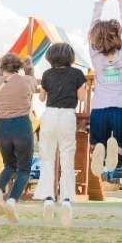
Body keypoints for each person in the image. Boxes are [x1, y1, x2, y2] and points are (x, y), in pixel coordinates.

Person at [35, 43, 87, 227]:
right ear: (70, 57)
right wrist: (82, 88)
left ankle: (48, 198)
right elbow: (81, 98)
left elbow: (41, 98)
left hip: (49, 115)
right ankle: (66, 199)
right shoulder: (77, 75)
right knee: (67, 158)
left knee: (47, 158)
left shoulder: (47, 75)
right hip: (67, 116)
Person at [88, 0, 122, 177]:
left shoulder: (96, 58)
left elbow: (91, 30)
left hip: (99, 109)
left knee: (98, 142)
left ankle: (98, 147)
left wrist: (100, 3)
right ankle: (119, 152)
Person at [0, 54, 38, 223]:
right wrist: (29, 66)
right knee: (24, 169)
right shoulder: (26, 81)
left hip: (2, 128)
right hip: (22, 125)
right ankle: (12, 200)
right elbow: (33, 81)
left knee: (9, 165)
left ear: (2, 67)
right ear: (18, 66)